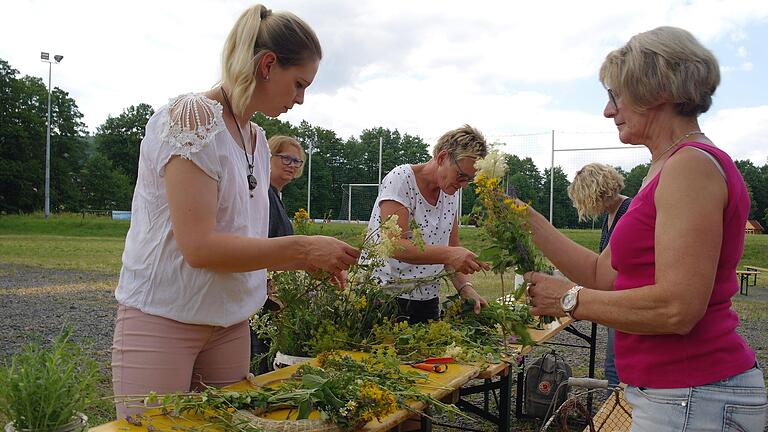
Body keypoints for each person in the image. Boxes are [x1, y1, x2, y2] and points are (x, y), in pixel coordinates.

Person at [111, 4, 359, 419]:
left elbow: (245, 238)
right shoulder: (192, 119)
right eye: (299, 84)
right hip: (165, 317)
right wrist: (301, 250)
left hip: (231, 323)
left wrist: (302, 265)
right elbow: (200, 248)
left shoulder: (258, 140)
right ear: (266, 65)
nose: (300, 99)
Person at [522, 26, 767, 431]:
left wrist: (568, 300)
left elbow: (678, 308)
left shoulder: (689, 166)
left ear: (657, 90)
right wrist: (530, 221)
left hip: (694, 394)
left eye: (615, 96)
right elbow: (604, 275)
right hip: (673, 394)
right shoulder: (664, 167)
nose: (608, 111)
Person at [363, 125, 491, 324]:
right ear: (442, 158)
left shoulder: (451, 194)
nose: (464, 184)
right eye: (461, 176)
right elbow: (394, 246)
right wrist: (450, 254)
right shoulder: (401, 180)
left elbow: (451, 251)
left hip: (426, 299)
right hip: (384, 297)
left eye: (470, 180)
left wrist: (466, 288)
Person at [567, 163, 632, 388]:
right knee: (613, 363)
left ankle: (615, 415)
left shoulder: (629, 212)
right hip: (614, 296)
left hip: (625, 299)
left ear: (595, 193)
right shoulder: (611, 214)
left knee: (617, 366)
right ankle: (613, 411)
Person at [250, 135, 305, 374]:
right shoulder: (263, 195)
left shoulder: (274, 196)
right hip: (260, 293)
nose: (292, 164)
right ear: (268, 157)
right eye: (285, 158)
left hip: (269, 294)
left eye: (297, 161)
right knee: (256, 352)